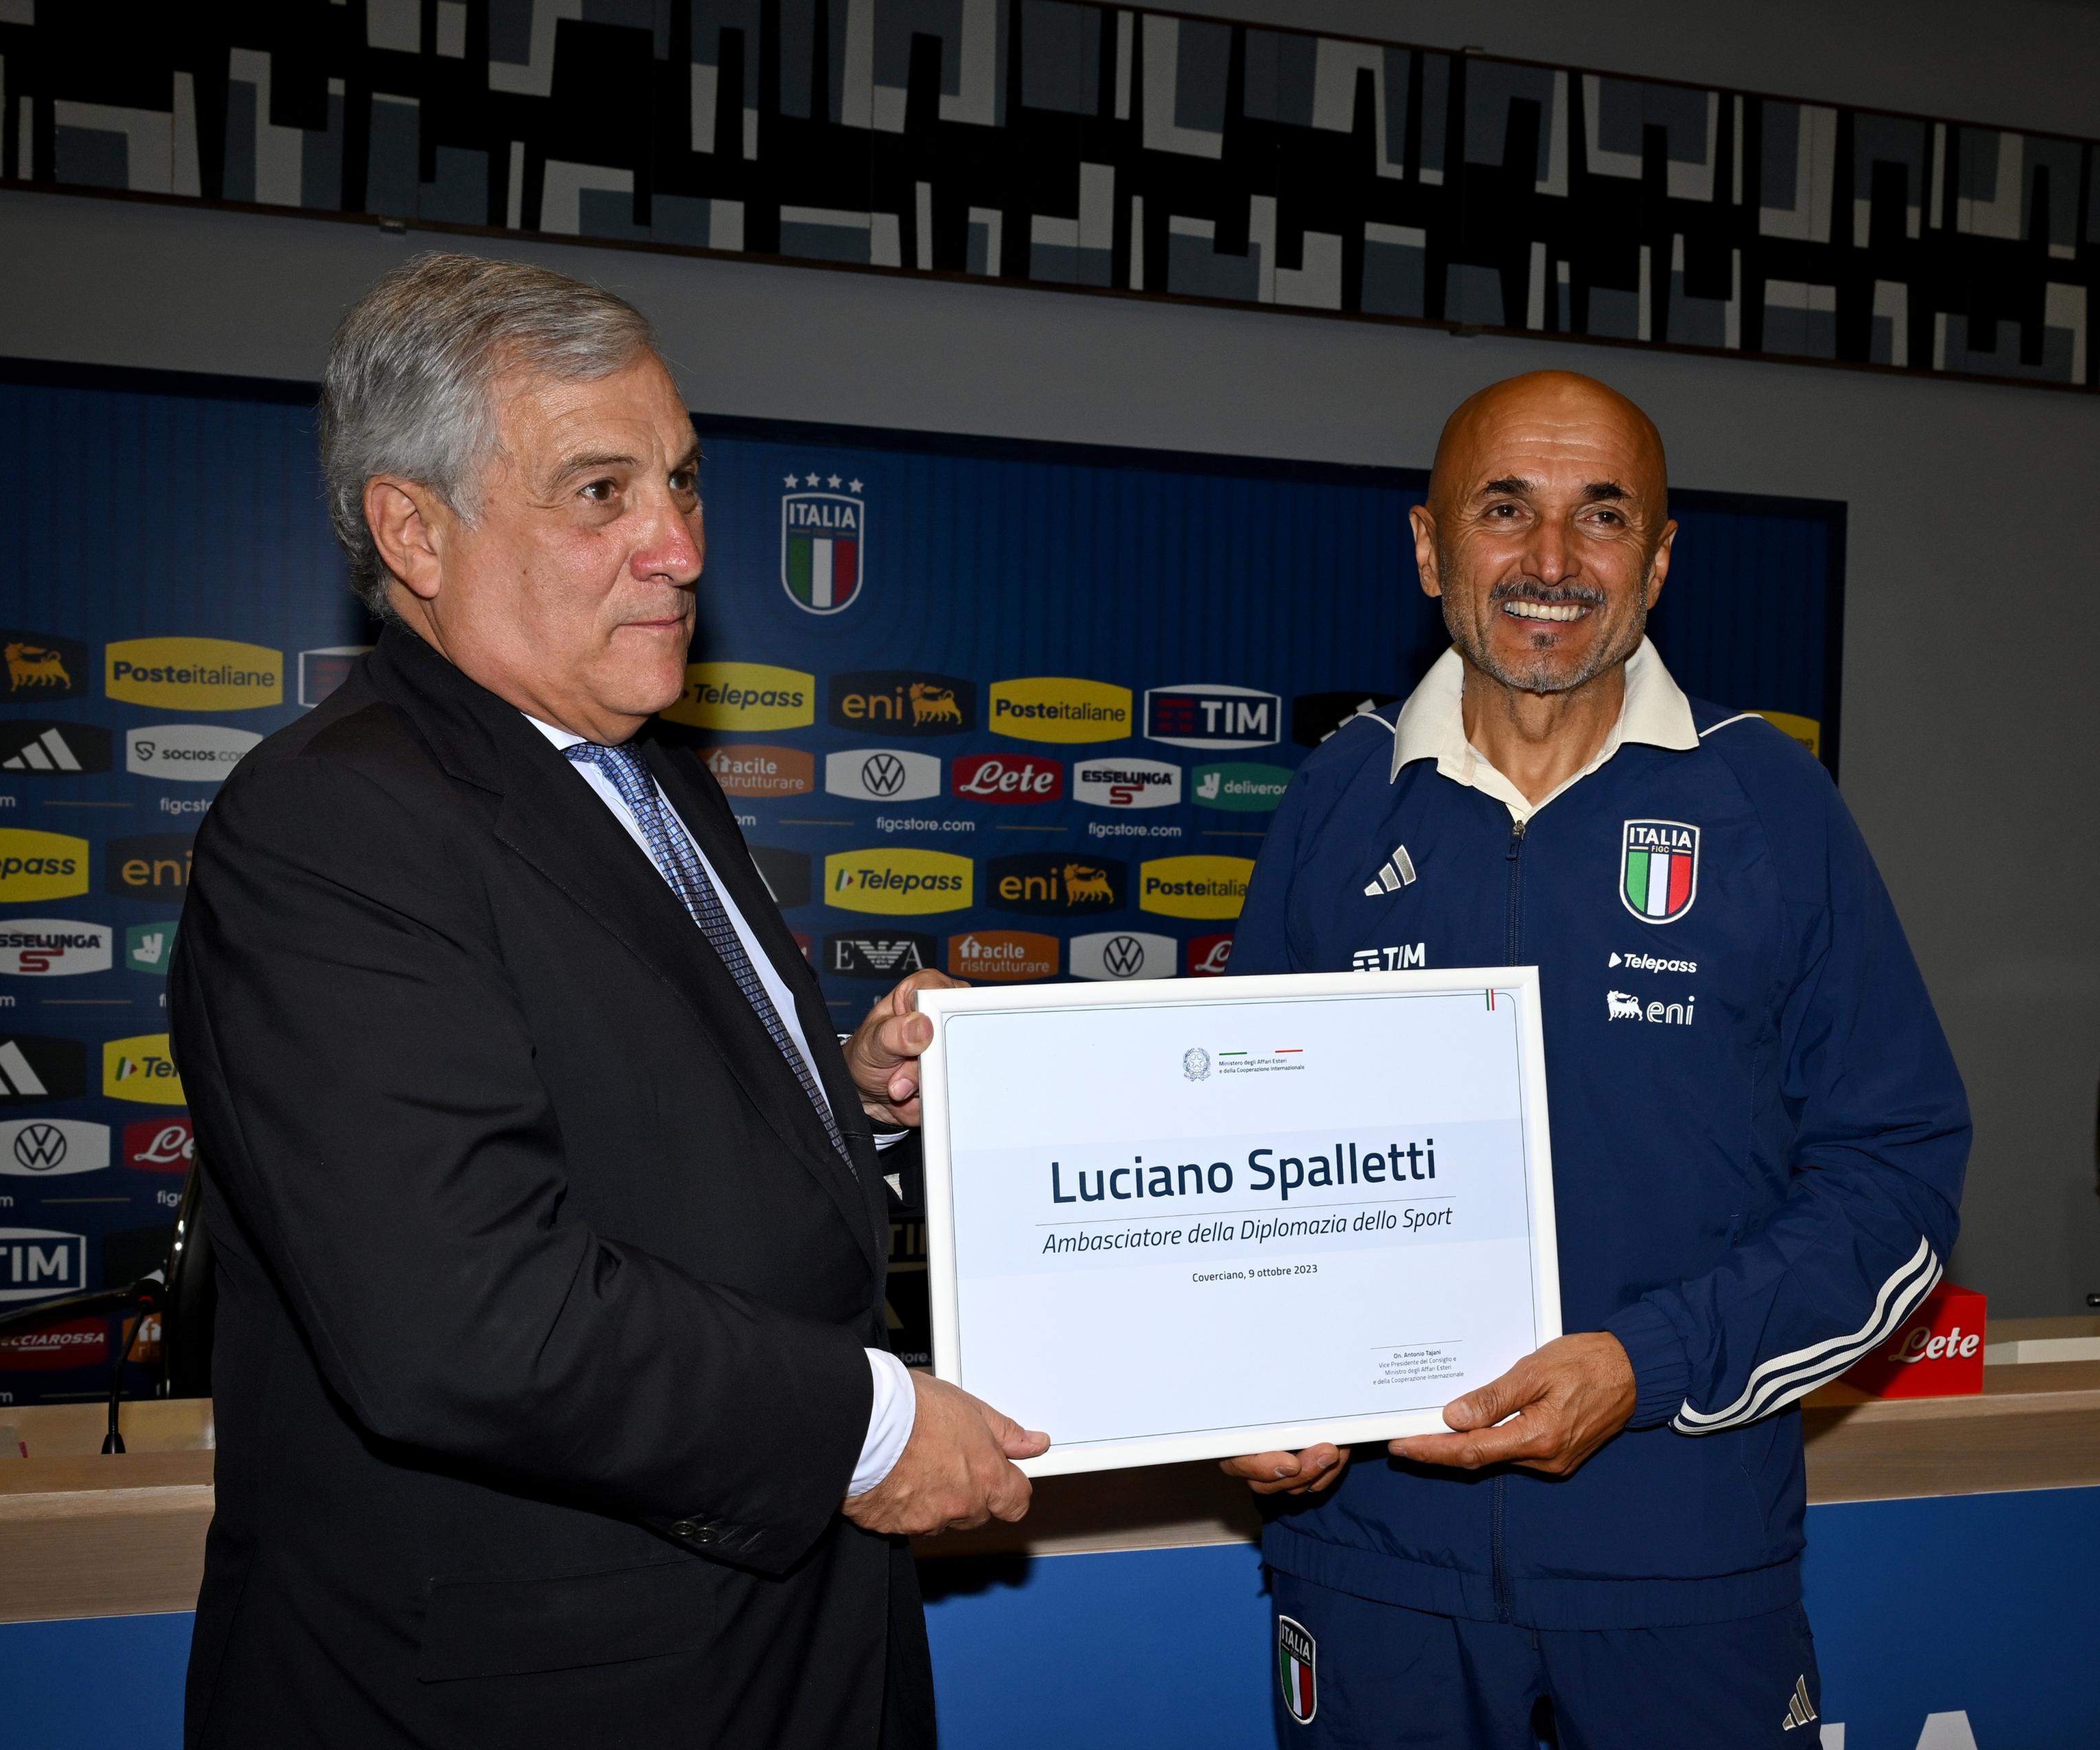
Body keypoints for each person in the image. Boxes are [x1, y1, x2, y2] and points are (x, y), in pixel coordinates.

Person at [170, 253, 1044, 1749]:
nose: (680, 546)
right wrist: (874, 1423)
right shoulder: (331, 825)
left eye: (683, 481)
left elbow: (639, 1141)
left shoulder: (654, 784)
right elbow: (465, 1312)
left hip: (779, 1664)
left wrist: (860, 1106)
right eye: (599, 490)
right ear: (412, 529)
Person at [1221, 371, 1969, 1746]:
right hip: (1375, 1570)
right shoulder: (1336, 802)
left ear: (1661, 557)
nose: (1553, 562)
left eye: (1603, 516)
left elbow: (1899, 1184)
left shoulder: (1770, 808)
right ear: (1432, 547)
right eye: (1505, 510)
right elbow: (1233, 1172)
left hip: (1684, 1570)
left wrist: (1649, 1363)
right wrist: (1247, 1381)